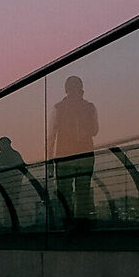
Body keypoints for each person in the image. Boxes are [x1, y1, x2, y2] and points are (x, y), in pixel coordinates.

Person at [53, 76, 98, 229]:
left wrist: (49, 157)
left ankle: (68, 223)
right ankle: (82, 223)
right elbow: (94, 130)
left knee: (65, 191)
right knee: (83, 191)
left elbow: (51, 134)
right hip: (85, 154)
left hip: (64, 156)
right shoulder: (89, 107)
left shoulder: (58, 108)